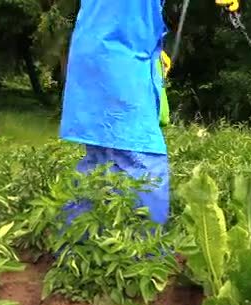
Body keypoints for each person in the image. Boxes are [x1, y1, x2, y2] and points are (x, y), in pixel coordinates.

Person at [59, 0, 240, 225]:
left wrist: (154, 47)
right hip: (119, 60)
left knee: (99, 162)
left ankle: (77, 247)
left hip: (95, 52)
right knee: (143, 166)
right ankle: (145, 254)